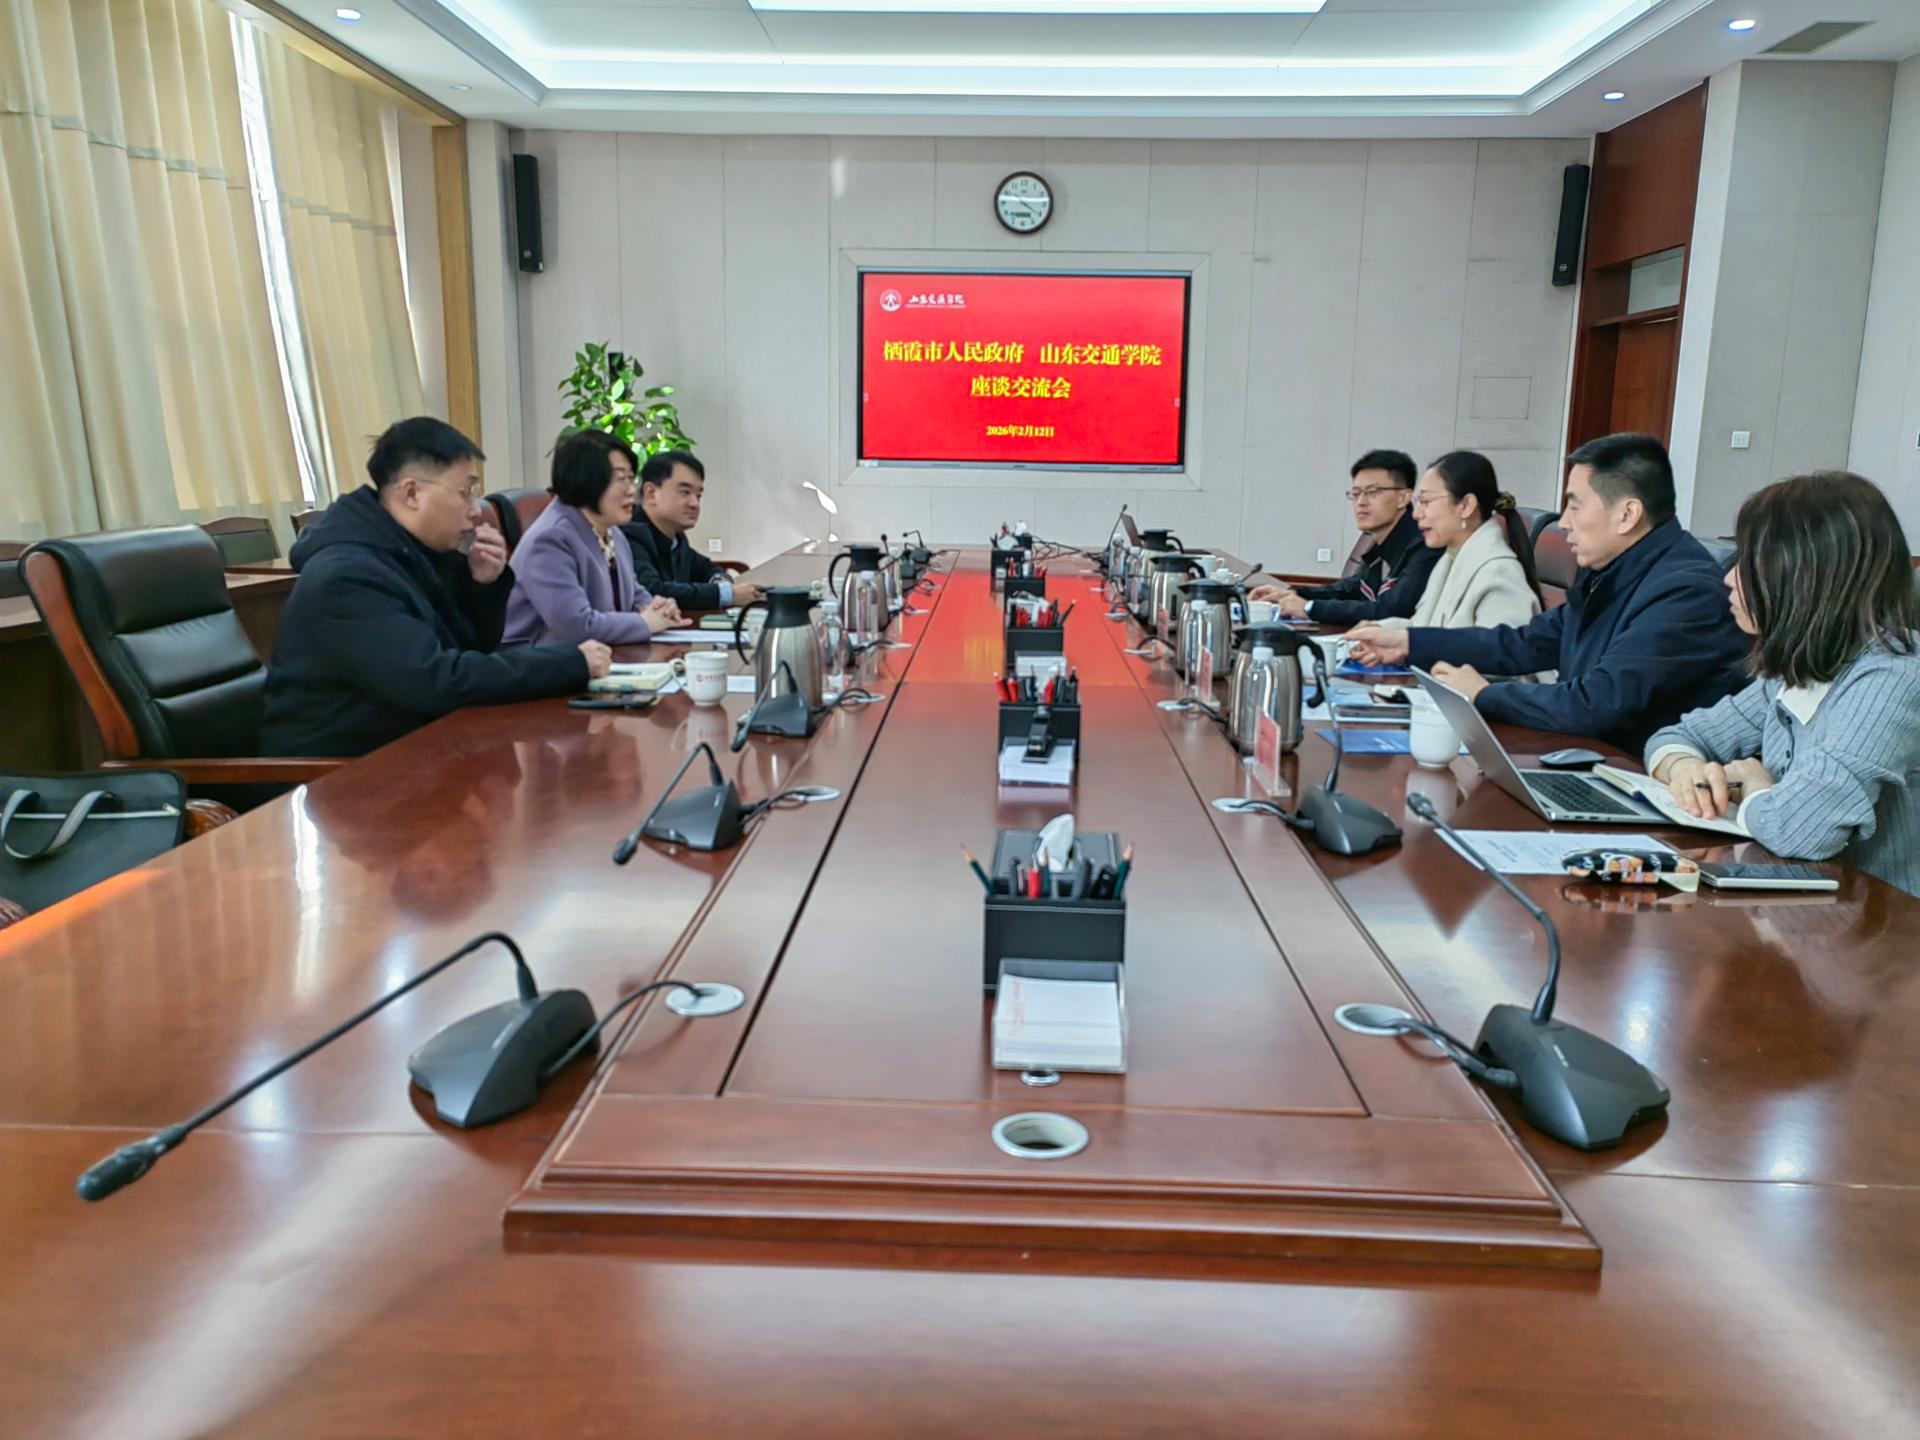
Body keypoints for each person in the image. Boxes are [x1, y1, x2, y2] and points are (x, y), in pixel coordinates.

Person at [1345, 432, 1747, 751]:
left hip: (1638, 782)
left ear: (1627, 514)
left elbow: (1597, 704)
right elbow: (1523, 643)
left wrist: (1484, 695)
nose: (1564, 522)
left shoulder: (1685, 591)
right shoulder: (1611, 571)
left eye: (1575, 506)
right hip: (1583, 756)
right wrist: (1408, 642)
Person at [262, 417, 611, 758]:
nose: (475, 510)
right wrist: (570, 663)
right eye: (465, 492)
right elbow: (437, 680)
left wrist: (482, 586)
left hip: (413, 748)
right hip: (335, 775)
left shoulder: (418, 553)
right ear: (412, 493)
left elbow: (473, 651)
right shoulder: (346, 577)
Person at [1645, 472, 1920, 896]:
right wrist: (1687, 772)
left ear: (1806, 577)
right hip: (1807, 906)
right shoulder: (1800, 669)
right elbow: (1676, 736)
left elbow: (1802, 830)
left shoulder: (1894, 677)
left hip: (1885, 921)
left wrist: (1754, 787)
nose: (1728, 579)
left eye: (1748, 564)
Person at [1345, 451, 1546, 675]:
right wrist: (1381, 630)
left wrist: (1412, 648)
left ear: (1466, 505)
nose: (1416, 514)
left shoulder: (1499, 572)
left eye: (1426, 502)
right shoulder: (1450, 558)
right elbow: (1429, 628)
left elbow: (1501, 664)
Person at [504, 429, 684, 647]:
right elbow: (576, 626)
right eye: (621, 479)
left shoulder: (613, 532)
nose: (632, 491)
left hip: (602, 655)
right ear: (585, 480)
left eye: (631, 478)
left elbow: (632, 593)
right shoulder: (551, 539)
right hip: (541, 662)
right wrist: (645, 622)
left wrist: (657, 608)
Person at [1248, 449, 1439, 626]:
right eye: (1356, 493)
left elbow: (1390, 611)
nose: (1361, 502)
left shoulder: (1425, 545)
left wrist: (1310, 608)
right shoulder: (1383, 540)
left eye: (1372, 492)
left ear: (1403, 498)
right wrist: (1292, 593)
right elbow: (1353, 588)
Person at [621, 450, 762, 612]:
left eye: (698, 495)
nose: (694, 503)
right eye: (685, 492)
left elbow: (705, 567)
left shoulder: (675, 537)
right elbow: (652, 591)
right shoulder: (630, 533)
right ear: (651, 493)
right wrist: (726, 594)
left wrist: (720, 581)